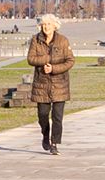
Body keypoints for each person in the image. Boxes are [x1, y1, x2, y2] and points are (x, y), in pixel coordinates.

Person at [26, 13, 72, 154]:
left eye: (49, 24)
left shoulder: (63, 41)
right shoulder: (35, 40)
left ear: (54, 26)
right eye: (44, 24)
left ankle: (54, 143)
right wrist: (47, 58)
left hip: (60, 85)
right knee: (43, 115)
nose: (46, 27)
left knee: (57, 117)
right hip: (42, 85)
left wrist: (53, 68)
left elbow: (70, 61)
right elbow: (31, 59)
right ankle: (45, 135)